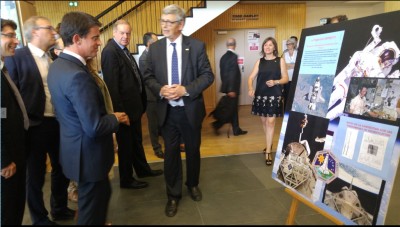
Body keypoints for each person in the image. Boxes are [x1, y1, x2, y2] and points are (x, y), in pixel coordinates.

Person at [47, 11, 128, 225]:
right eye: (94, 37)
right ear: (76, 39)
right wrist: (116, 118)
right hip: (90, 158)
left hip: (75, 152)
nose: (99, 43)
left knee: (92, 207)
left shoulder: (57, 66)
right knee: (91, 213)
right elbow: (94, 126)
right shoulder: (77, 76)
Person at [142, 4, 214, 217]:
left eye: (169, 22)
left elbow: (207, 76)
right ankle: (173, 195)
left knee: (193, 150)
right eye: (162, 21)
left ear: (181, 24)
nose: (164, 25)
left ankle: (192, 183)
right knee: (171, 154)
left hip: (189, 110)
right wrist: (160, 89)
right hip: (167, 112)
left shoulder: (197, 46)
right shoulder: (154, 49)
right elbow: (147, 76)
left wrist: (185, 90)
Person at [4, 16, 75, 225]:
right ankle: (39, 218)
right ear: (35, 32)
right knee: (35, 175)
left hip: (56, 122)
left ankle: (59, 208)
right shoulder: (17, 57)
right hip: (34, 127)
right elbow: (12, 97)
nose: (54, 31)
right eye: (49, 28)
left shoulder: (52, 57)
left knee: (61, 168)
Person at [101, 20, 163, 190]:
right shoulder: (110, 52)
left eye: (128, 33)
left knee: (136, 143)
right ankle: (126, 180)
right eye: (122, 33)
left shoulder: (124, 50)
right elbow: (112, 86)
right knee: (126, 146)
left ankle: (143, 170)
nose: (125, 36)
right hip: (125, 112)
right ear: (114, 33)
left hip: (134, 108)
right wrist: (121, 113)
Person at [1, 18, 29, 226]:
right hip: (6, 160)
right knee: (8, 212)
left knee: (16, 206)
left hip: (15, 153)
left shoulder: (3, 69)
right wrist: (3, 159)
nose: (16, 41)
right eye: (9, 35)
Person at [247, 37, 288, 166]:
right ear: (263, 47)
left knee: (270, 122)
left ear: (274, 47)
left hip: (274, 95)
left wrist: (276, 81)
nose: (268, 47)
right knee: (264, 122)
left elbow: (286, 78)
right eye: (265, 45)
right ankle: (269, 143)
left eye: (270, 45)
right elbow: (251, 77)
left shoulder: (280, 60)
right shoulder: (259, 62)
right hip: (261, 95)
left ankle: (268, 151)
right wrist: (250, 88)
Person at [212, 37, 247, 136]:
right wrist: (231, 89)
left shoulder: (223, 57)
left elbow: (223, 74)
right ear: (234, 45)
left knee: (233, 109)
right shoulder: (233, 57)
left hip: (227, 88)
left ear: (227, 45)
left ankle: (236, 129)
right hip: (232, 89)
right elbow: (232, 74)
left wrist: (227, 88)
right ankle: (217, 125)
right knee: (231, 110)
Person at [138, 32, 164, 159]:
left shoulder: (154, 55)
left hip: (158, 95)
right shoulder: (144, 59)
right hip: (151, 97)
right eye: (156, 41)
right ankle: (156, 148)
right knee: (153, 124)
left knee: (161, 121)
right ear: (149, 44)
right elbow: (150, 80)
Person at [281, 37, 298, 110]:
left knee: (295, 95)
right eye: (287, 44)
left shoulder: (297, 53)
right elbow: (283, 65)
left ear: (293, 44)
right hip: (287, 78)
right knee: (287, 95)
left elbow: (298, 65)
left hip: (295, 77)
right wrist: (293, 65)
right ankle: (286, 111)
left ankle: (293, 111)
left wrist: (289, 65)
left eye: (289, 44)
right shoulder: (285, 53)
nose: (288, 45)